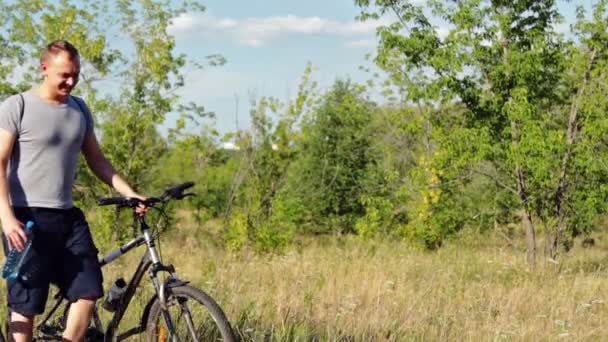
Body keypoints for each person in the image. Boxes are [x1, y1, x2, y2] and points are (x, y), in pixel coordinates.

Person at [0, 40, 146, 341]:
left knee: (88, 291)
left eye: (75, 74)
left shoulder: (79, 109)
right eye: (64, 74)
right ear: (44, 69)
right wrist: (7, 218)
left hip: (67, 217)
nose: (70, 81)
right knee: (26, 306)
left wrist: (130, 192)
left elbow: (98, 161)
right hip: (25, 218)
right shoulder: (19, 106)